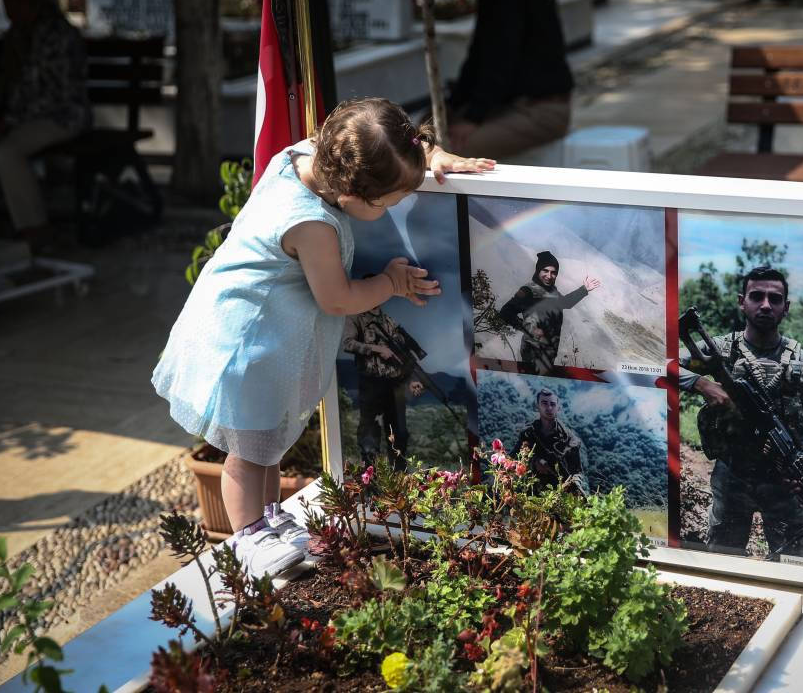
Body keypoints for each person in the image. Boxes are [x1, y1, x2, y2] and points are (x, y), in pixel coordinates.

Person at [152, 98, 493, 577]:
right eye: (390, 201)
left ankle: (268, 520)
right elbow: (337, 297)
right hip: (245, 343)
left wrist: (427, 154)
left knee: (267, 443)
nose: (394, 207)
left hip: (261, 337)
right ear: (353, 192)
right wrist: (391, 284)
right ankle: (248, 539)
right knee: (248, 453)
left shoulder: (310, 155)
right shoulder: (311, 223)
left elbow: (369, 139)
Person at [680, 266, 803, 558]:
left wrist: (800, 460)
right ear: (741, 301)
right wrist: (702, 384)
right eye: (757, 296)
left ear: (786, 308)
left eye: (775, 298)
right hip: (733, 476)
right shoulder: (717, 350)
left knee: (794, 565)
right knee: (722, 561)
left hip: (782, 484)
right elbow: (663, 363)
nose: (766, 305)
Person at [0, 0, 90, 248]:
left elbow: (49, 95)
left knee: (7, 151)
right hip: (25, 117)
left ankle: (35, 229)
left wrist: (6, 122)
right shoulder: (18, 35)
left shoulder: (55, 34)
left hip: (62, 116)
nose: (9, 5)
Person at [447, 0, 574, 159]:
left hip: (541, 109)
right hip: (511, 105)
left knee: (455, 149)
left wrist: (472, 118)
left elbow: (499, 62)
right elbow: (476, 61)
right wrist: (451, 105)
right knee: (431, 130)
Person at [341, 302, 425, 471]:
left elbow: (403, 357)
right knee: (369, 433)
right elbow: (348, 344)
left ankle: (399, 476)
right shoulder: (356, 319)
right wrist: (376, 349)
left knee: (398, 433)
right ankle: (370, 476)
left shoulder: (389, 322)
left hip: (394, 384)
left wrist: (412, 379)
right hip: (371, 382)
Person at [497, 250, 600, 374]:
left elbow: (564, 303)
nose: (549, 276)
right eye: (545, 271)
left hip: (550, 350)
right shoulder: (528, 291)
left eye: (553, 272)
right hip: (533, 351)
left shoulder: (552, 291)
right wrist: (529, 329)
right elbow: (505, 312)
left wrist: (584, 289)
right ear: (538, 270)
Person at [512, 388, 589, 496]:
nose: (549, 408)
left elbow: (578, 472)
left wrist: (574, 483)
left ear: (558, 408)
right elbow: (512, 461)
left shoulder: (570, 440)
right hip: (531, 495)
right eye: (544, 403)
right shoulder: (528, 435)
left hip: (560, 496)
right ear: (537, 406)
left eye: (552, 404)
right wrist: (534, 462)